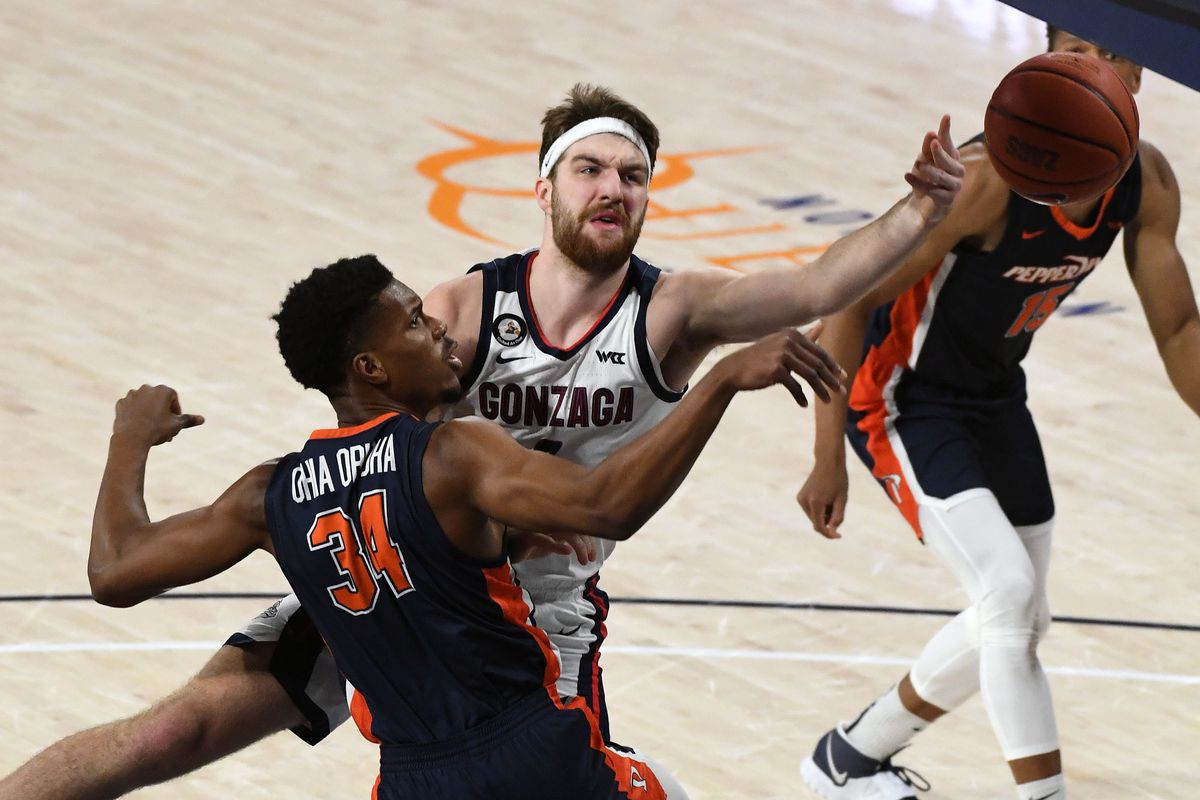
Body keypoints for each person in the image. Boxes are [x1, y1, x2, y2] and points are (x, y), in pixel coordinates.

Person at [0, 85, 965, 799]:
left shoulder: (673, 309)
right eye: (592, 168)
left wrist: (922, 209)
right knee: (173, 731)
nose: (614, 189)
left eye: (634, 175)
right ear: (545, 186)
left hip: (529, 613)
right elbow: (368, 408)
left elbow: (814, 286)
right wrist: (485, 515)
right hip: (417, 584)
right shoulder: (461, 308)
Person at [81, 254, 840, 798]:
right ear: (372, 369)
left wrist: (128, 440)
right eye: (415, 323)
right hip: (531, 754)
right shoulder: (452, 453)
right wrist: (722, 381)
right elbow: (610, 505)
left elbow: (115, 573)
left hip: (411, 777)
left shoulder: (269, 498)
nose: (440, 332)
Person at [795, 28, 1199, 800]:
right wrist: (826, 451)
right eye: (1076, 47)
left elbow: (1181, 331)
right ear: (1042, 62)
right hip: (897, 398)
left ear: (1140, 70)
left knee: (1017, 616)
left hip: (994, 396)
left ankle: (848, 760)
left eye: (1111, 51)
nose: (1092, 65)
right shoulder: (982, 182)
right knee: (1007, 597)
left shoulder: (1146, 183)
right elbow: (850, 294)